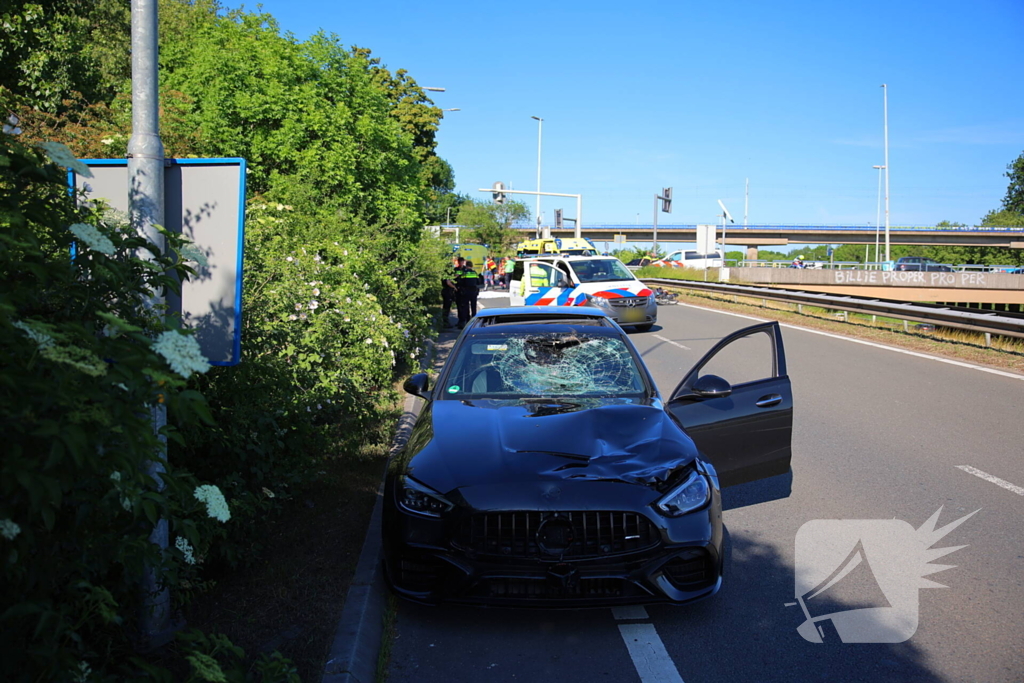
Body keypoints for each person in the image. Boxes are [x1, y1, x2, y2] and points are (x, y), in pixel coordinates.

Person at [455, 259, 482, 328]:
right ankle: (474, 321)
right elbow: (479, 282)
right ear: (472, 266)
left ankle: (465, 322)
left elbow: (460, 282)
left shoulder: (464, 273)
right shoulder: (474, 273)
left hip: (466, 292)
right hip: (474, 291)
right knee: (473, 306)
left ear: (466, 266)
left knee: (465, 306)